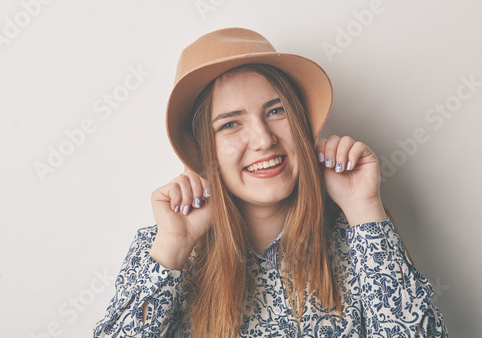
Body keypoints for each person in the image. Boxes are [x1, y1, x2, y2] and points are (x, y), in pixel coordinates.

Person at [94, 28, 447, 337]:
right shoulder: (160, 251)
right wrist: (173, 246)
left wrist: (364, 208)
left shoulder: (359, 236)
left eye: (276, 111)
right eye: (230, 123)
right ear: (204, 151)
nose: (263, 139)